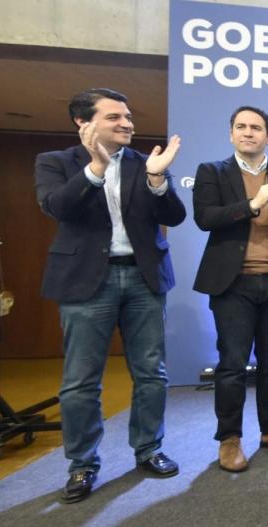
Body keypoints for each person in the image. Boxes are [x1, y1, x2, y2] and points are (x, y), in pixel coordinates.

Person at [35, 88, 186, 503]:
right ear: (83, 123)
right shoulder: (55, 162)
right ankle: (82, 464)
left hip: (144, 278)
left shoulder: (145, 162)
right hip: (86, 282)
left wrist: (158, 181)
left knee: (151, 373)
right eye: (115, 117)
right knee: (81, 382)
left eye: (129, 117)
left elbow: (174, 215)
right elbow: (57, 207)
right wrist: (96, 169)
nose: (127, 124)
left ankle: (149, 449)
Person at [193, 105, 268, 472]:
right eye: (241, 127)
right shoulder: (212, 172)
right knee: (232, 365)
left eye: (257, 128)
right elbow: (205, 218)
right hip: (232, 284)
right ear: (231, 133)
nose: (249, 133)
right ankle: (229, 439)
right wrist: (254, 203)